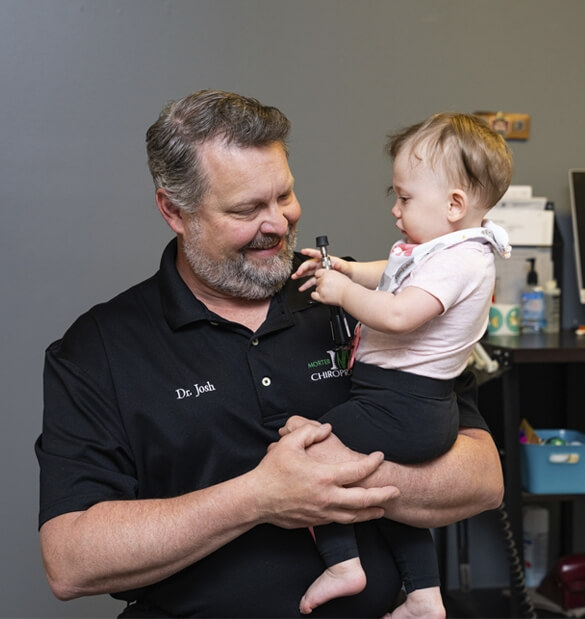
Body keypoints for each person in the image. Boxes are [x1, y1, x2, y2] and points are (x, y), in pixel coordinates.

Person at [35, 91, 504, 618]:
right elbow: (70, 559)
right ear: (174, 211)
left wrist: (332, 477)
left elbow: (482, 477)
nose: (278, 223)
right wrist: (257, 498)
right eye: (246, 208)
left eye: (284, 195)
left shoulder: (354, 298)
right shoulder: (100, 348)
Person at [291, 112, 513, 617]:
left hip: (403, 404)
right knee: (392, 505)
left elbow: (398, 314)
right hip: (410, 406)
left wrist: (342, 292)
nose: (395, 209)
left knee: (306, 451)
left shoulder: (463, 260)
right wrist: (350, 270)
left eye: (405, 198)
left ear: (454, 205)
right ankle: (424, 596)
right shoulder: (441, 249)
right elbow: (393, 274)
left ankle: (343, 564)